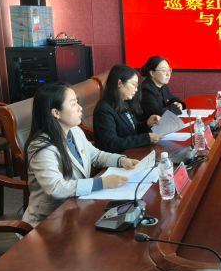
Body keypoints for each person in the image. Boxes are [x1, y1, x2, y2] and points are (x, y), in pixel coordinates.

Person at [22, 82, 139, 227]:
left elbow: (96, 156)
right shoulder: (42, 147)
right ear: (56, 113)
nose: (80, 108)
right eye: (73, 104)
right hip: (49, 221)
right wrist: (102, 182)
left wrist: (121, 161)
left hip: (76, 208)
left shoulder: (75, 130)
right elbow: (56, 188)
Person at [93, 64, 161, 153]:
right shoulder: (103, 110)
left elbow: (131, 130)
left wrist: (147, 124)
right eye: (134, 85)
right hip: (118, 157)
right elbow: (111, 144)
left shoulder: (124, 101)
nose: (136, 90)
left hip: (131, 152)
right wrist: (146, 138)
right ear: (119, 83)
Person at [139, 56, 186, 120]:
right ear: (152, 73)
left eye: (169, 70)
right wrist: (175, 108)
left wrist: (179, 104)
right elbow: (158, 114)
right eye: (164, 70)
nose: (168, 74)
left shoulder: (162, 86)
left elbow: (172, 98)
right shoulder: (146, 89)